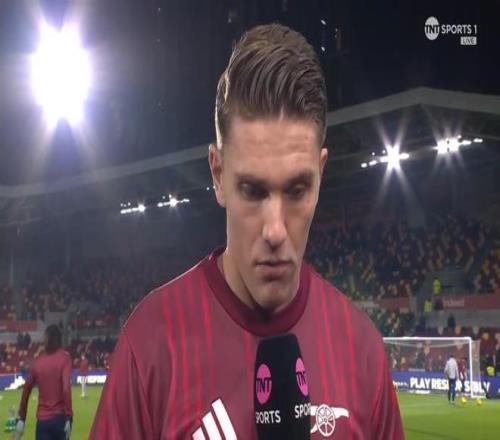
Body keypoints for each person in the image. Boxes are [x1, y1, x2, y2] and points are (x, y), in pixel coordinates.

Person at [91, 23, 404, 439]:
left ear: (321, 174)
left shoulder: (361, 349)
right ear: (218, 174)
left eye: (297, 190)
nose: (275, 230)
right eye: (253, 191)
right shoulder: (150, 344)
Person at [15, 324, 72, 440]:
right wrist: (69, 417)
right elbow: (66, 389)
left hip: (42, 422)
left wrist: (22, 418)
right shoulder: (65, 358)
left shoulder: (38, 362)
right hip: (59, 419)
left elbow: (26, 389)